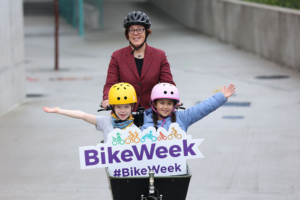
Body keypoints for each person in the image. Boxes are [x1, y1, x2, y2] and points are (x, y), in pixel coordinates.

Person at [101, 11, 176, 111]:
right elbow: (111, 84)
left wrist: (174, 98)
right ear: (127, 33)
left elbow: (167, 84)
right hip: (124, 112)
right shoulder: (117, 56)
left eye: (140, 29)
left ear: (146, 31)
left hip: (152, 112)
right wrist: (107, 99)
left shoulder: (160, 55)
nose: (135, 33)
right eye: (131, 30)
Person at [43, 83, 138, 143]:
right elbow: (83, 115)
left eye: (126, 106)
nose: (122, 111)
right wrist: (59, 110)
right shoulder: (105, 122)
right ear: (113, 107)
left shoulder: (136, 128)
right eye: (118, 107)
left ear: (132, 107)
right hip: (113, 169)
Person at [141, 83, 236, 131]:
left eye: (169, 103)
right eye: (162, 103)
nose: (165, 107)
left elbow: (201, 109)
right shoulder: (145, 123)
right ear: (154, 104)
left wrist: (221, 97)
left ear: (174, 105)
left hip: (178, 168)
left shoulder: (182, 118)